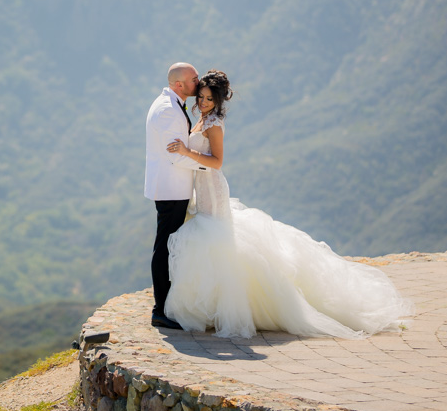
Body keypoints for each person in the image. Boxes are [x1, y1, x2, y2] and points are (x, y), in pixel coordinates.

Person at [163, 69, 412, 339]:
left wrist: (187, 151)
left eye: (209, 99)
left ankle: (232, 309)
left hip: (213, 190)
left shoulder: (213, 124)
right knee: (210, 247)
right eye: (200, 97)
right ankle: (211, 308)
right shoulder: (201, 118)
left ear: (219, 101)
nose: (203, 102)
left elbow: (217, 162)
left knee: (217, 244)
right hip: (202, 190)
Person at [144, 62, 208, 330]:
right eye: (195, 79)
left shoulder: (168, 104)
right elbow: (175, 155)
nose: (199, 81)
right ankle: (161, 309)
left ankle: (166, 305)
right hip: (172, 188)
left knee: (167, 245)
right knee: (165, 248)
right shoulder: (169, 111)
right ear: (179, 85)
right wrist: (208, 165)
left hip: (171, 186)